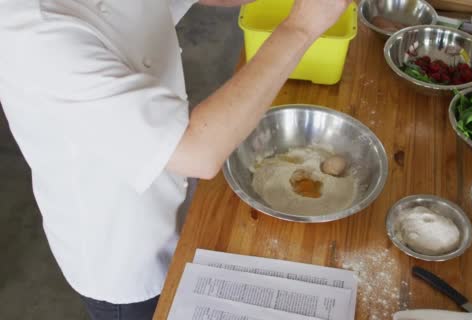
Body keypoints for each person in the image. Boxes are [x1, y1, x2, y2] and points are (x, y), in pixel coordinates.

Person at [0, 0, 351, 319]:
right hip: (125, 252)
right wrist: (301, 26)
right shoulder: (33, 36)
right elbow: (196, 151)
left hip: (173, 193)